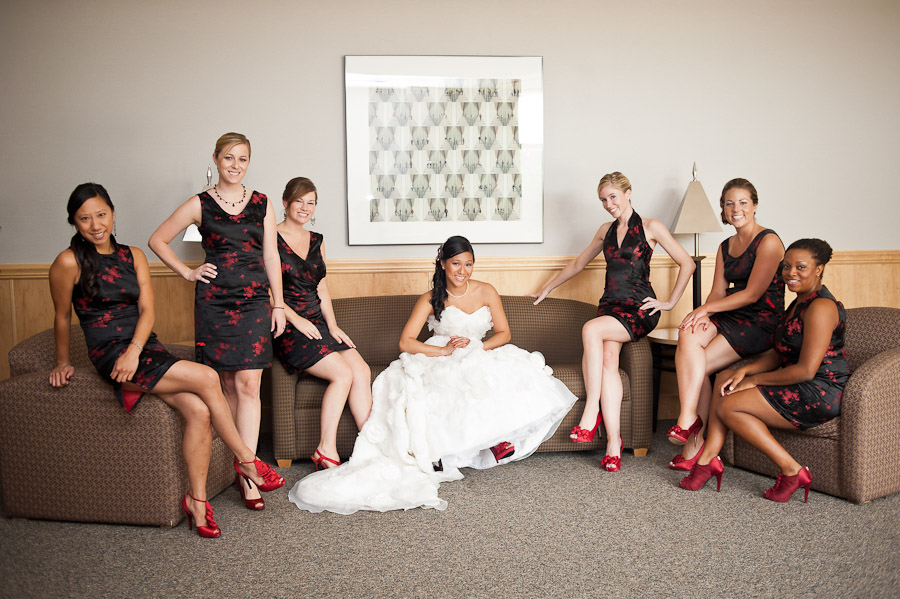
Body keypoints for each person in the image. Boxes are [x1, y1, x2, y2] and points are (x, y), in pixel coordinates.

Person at [50, 183, 284, 537]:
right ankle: (248, 462)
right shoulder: (67, 262)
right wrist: (62, 361)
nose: (95, 225)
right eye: (85, 219)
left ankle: (197, 502)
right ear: (74, 222)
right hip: (111, 355)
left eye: (101, 215)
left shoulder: (133, 256)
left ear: (113, 214)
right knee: (208, 378)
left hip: (143, 350)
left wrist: (136, 349)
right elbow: (61, 317)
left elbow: (147, 311)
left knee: (199, 410)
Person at [287, 236, 576, 514]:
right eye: (456, 264)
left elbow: (504, 332)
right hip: (441, 351)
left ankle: (495, 439)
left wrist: (478, 347)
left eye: (468, 264)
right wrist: (444, 351)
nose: (462, 271)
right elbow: (406, 342)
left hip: (478, 349)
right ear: (442, 264)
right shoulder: (430, 298)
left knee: (498, 373)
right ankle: (437, 452)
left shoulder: (486, 290)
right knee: (444, 381)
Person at [149, 132, 286, 510]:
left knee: (249, 386)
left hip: (256, 302)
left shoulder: (262, 203)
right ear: (215, 158)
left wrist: (278, 304)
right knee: (224, 385)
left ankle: (248, 475)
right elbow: (157, 240)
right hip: (214, 304)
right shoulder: (200, 203)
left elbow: (271, 256)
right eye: (229, 158)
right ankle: (239, 462)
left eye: (242, 159)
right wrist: (187, 272)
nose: (235, 165)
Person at [531, 172, 694, 471]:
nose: (608, 204)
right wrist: (548, 287)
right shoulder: (605, 230)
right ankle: (614, 444)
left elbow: (688, 262)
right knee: (607, 360)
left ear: (628, 193)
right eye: (603, 200)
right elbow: (580, 262)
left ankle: (591, 411)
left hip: (639, 310)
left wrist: (669, 302)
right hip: (610, 305)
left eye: (613, 197)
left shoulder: (651, 227)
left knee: (591, 329)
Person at [679, 239, 849, 502]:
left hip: (819, 391)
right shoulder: (798, 304)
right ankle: (708, 458)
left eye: (801, 267)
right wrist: (745, 371)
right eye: (787, 267)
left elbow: (805, 370)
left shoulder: (821, 307)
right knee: (725, 377)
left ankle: (791, 470)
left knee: (728, 406)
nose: (791, 273)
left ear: (819, 268)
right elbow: (778, 354)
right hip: (797, 382)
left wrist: (754, 380)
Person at [668, 179, 784, 471]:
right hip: (731, 313)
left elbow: (753, 293)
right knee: (688, 331)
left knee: (698, 364)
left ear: (754, 205)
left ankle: (690, 431)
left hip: (761, 319)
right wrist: (702, 314)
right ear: (723, 208)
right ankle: (691, 429)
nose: (736, 209)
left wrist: (706, 308)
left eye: (743, 202)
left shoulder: (768, 241)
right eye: (730, 203)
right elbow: (718, 293)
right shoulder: (725, 246)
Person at [273, 177, 373, 469]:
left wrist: (333, 325)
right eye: (299, 201)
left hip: (318, 322)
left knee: (361, 370)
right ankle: (325, 449)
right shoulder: (270, 238)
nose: (305, 208)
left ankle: (370, 444)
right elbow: (266, 291)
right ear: (286, 203)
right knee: (342, 374)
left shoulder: (317, 240)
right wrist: (296, 319)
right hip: (288, 325)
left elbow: (322, 288)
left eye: (311, 202)